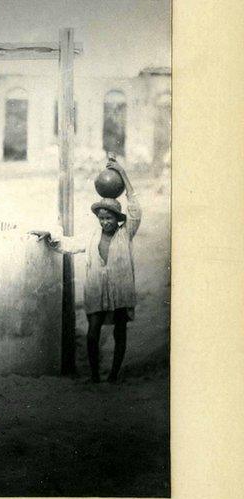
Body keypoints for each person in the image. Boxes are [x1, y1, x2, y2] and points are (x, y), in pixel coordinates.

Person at [53, 157, 142, 383]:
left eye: (109, 218)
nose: (105, 222)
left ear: (118, 219)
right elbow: (69, 244)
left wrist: (122, 172)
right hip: (96, 291)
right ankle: (94, 375)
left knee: (119, 332)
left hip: (120, 291)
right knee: (93, 332)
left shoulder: (125, 233)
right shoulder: (92, 237)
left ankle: (113, 374)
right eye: (102, 218)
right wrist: (50, 238)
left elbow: (135, 206)